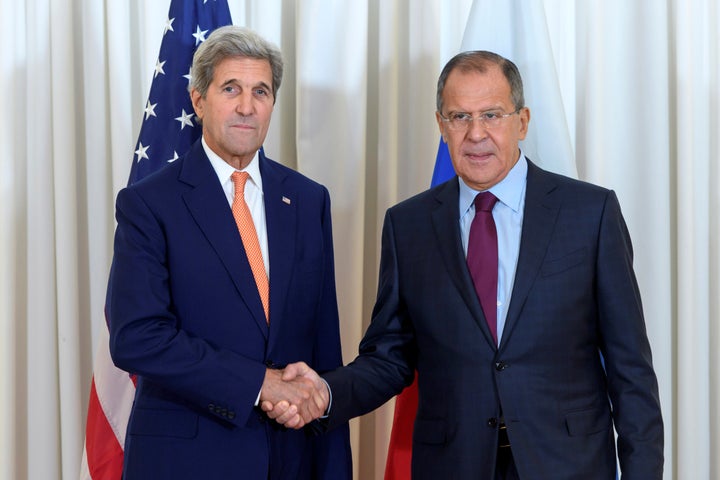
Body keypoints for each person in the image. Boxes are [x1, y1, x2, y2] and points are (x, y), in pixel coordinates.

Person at [266, 51, 664, 479]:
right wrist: (323, 392)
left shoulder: (590, 212)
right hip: (453, 465)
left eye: (492, 115)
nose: (476, 134)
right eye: (459, 117)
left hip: (568, 464)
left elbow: (631, 371)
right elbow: (389, 357)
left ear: (522, 121)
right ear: (441, 125)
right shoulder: (409, 225)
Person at [106, 25, 351, 479]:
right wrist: (259, 384)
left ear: (273, 103)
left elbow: (324, 345)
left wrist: (332, 463)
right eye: (230, 89)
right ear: (199, 101)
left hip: (290, 458)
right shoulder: (149, 203)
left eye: (261, 91)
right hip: (187, 461)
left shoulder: (308, 199)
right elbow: (136, 337)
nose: (246, 106)